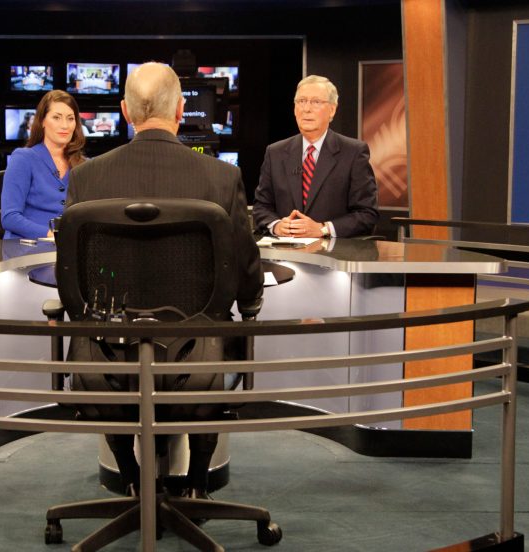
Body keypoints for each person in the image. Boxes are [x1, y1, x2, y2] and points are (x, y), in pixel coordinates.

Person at [67, 61, 263, 498]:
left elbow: (77, 279)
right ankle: (196, 484)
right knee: (215, 337)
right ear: (179, 111)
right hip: (198, 363)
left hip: (108, 360)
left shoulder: (85, 178)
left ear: (125, 111)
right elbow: (247, 270)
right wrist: (250, 307)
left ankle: (131, 478)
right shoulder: (222, 177)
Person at [252, 75, 379, 238]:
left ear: (332, 110)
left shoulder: (354, 152)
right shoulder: (275, 152)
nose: (307, 109)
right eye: (301, 101)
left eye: (316, 102)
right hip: (285, 249)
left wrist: (323, 229)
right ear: (294, 108)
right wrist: (276, 225)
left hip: (333, 251)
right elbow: (261, 207)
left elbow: (367, 214)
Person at [1, 90, 86, 239]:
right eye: (56, 118)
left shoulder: (85, 166)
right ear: (42, 121)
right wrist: (51, 235)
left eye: (70, 118)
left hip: (69, 246)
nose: (65, 125)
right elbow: (10, 217)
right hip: (27, 246)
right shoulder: (23, 158)